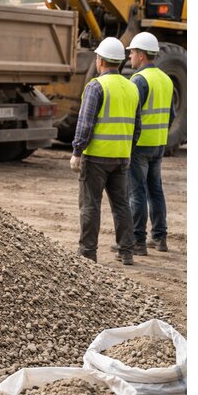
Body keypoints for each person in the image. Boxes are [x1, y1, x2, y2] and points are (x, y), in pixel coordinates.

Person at [70, 37, 141, 265]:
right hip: (121, 157)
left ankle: (87, 252)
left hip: (96, 158)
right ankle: (126, 251)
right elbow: (137, 127)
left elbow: (85, 123)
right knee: (121, 205)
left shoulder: (96, 86)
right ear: (120, 62)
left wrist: (77, 151)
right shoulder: (131, 87)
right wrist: (126, 149)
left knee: (91, 204)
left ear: (99, 60)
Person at [126, 32, 175, 254]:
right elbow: (171, 115)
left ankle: (138, 241)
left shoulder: (139, 80)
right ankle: (160, 238)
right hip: (159, 144)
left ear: (142, 55)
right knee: (156, 190)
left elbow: (130, 115)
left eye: (132, 53)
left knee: (137, 192)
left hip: (140, 145)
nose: (130, 58)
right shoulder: (166, 79)